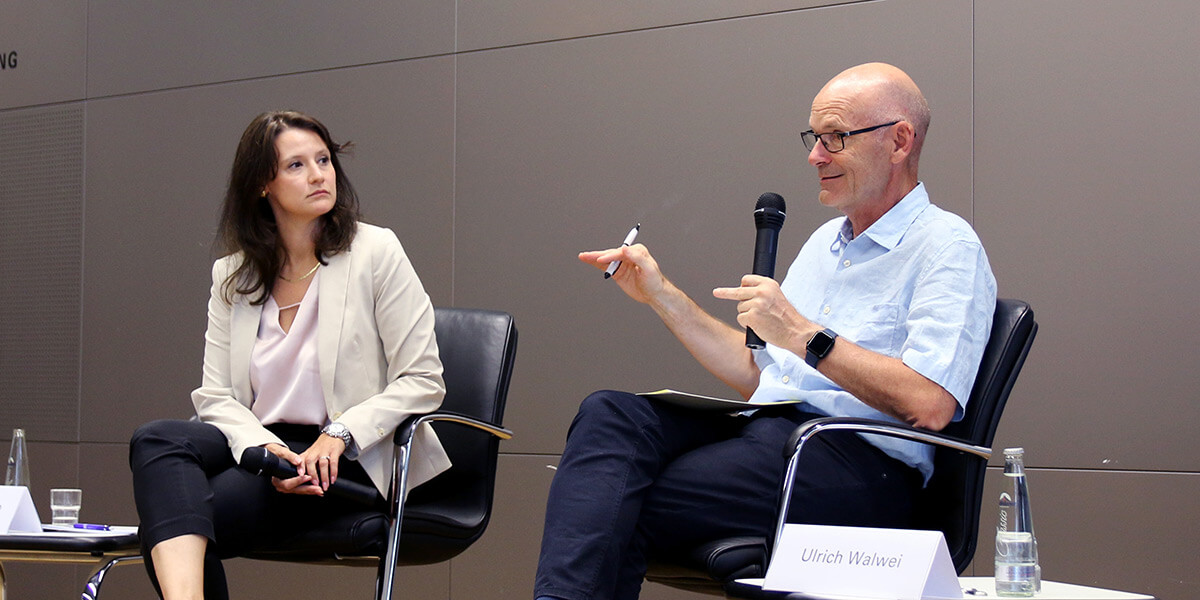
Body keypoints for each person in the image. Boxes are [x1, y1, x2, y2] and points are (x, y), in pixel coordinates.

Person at [534, 63, 997, 600]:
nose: (815, 156)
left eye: (836, 137)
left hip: (859, 465)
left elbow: (931, 402)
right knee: (610, 414)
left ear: (898, 141)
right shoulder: (827, 242)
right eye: (814, 138)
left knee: (608, 502)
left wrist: (804, 334)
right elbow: (762, 378)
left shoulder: (947, 246)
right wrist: (662, 297)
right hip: (769, 433)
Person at [128, 110, 449, 600]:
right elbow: (215, 396)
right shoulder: (232, 276)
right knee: (157, 440)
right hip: (263, 449)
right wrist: (265, 452)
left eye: (323, 159)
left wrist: (339, 435)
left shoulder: (376, 251)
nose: (320, 174)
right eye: (297, 165)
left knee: (175, 523)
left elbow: (422, 380)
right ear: (263, 184)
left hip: (344, 458)